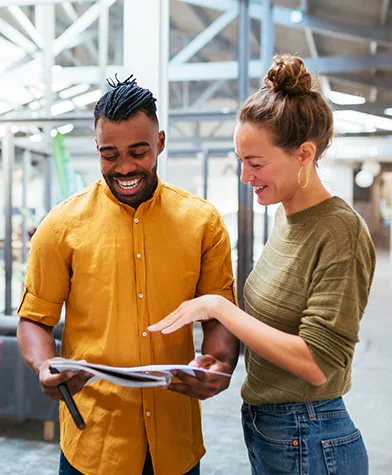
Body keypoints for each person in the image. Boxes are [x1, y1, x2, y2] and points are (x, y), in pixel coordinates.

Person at [149, 54, 376, 475]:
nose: (244, 175)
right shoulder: (285, 216)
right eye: (240, 161)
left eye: (255, 163)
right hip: (271, 429)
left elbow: (315, 362)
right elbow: (273, 326)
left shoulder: (340, 231)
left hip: (310, 436)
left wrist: (219, 308)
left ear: (304, 154)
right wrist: (216, 359)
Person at [16, 75, 239, 475]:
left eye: (139, 152)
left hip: (175, 440)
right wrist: (44, 365)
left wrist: (221, 365)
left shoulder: (202, 223)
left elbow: (219, 314)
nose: (124, 168)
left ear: (161, 143)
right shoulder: (59, 227)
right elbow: (34, 319)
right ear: (97, 150)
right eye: (110, 155)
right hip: (95, 441)